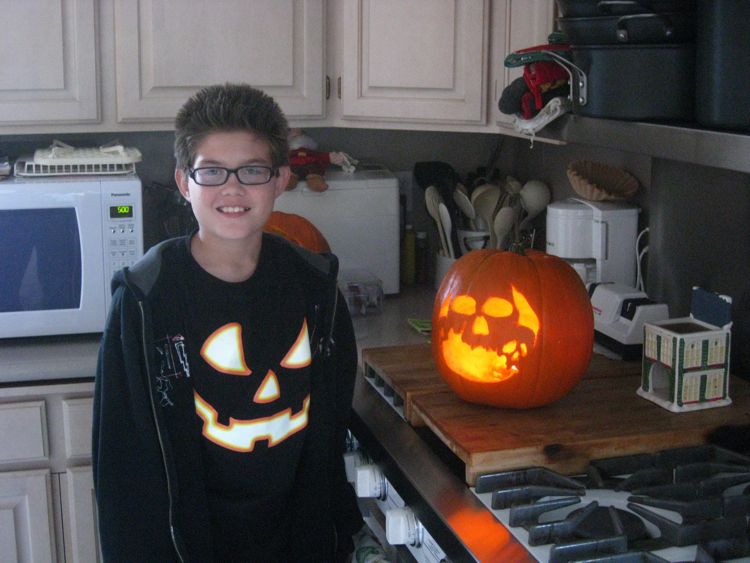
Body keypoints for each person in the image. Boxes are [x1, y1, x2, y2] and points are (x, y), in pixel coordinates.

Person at [92, 83, 362, 562]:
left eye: (252, 171)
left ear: (279, 180)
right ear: (184, 183)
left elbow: (331, 428)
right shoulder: (144, 302)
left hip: (296, 542)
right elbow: (122, 468)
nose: (232, 188)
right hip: (189, 546)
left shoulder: (316, 288)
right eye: (212, 172)